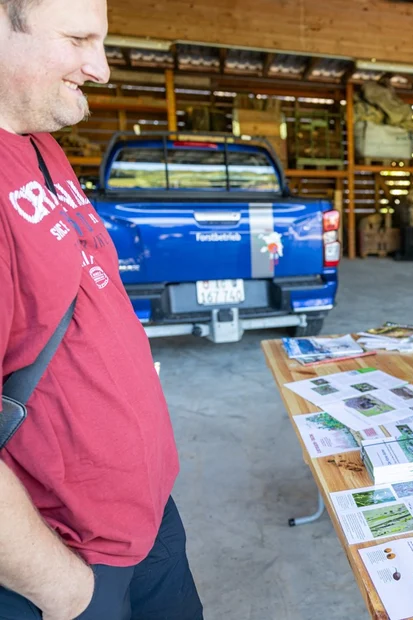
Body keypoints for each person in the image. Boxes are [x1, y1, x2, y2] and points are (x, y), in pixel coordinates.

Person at [0, 0, 203, 618]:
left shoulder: (40, 147)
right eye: (79, 39)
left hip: (145, 521)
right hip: (65, 563)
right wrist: (64, 592)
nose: (102, 68)